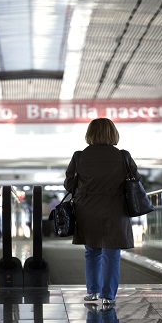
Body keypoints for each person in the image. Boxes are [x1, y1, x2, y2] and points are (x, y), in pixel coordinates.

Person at [64, 117, 135, 307]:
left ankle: (93, 291)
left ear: (90, 134)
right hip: (115, 209)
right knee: (111, 253)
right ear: (113, 133)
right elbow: (135, 180)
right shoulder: (123, 156)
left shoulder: (79, 156)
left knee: (92, 250)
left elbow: (69, 184)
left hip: (87, 208)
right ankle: (108, 295)